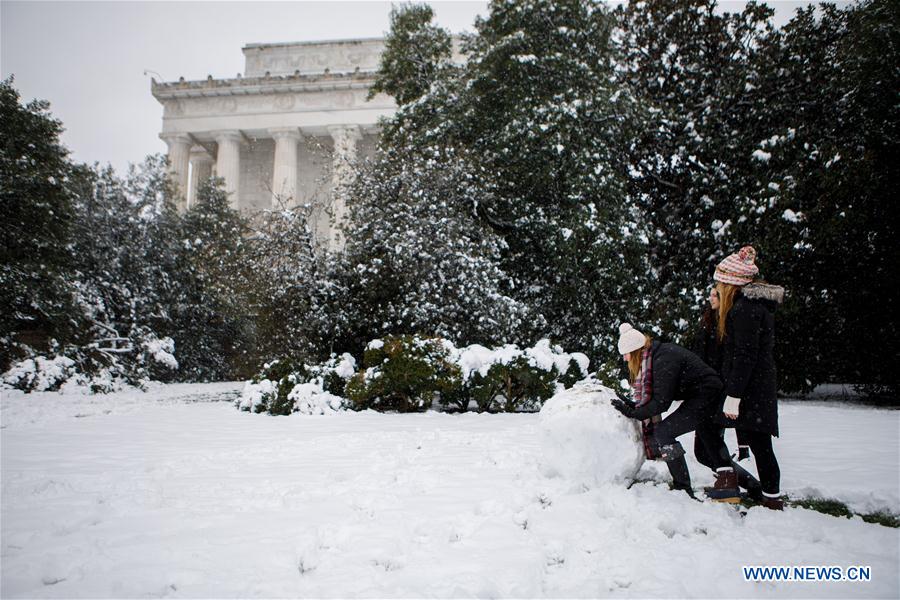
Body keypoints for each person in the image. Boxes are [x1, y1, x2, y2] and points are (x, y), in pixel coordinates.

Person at [611, 323, 739, 502]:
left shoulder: (662, 360)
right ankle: (750, 487)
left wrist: (633, 413)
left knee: (664, 431)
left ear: (635, 351)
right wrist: (632, 406)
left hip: (707, 396)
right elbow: (657, 398)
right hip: (705, 395)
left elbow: (661, 403)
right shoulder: (656, 356)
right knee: (704, 453)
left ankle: (682, 489)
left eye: (626, 354)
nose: (625, 359)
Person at [712, 246, 785, 510]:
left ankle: (772, 499)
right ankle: (769, 495)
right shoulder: (751, 306)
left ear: (731, 282)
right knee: (757, 443)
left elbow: (745, 356)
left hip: (752, 389)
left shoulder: (744, 310)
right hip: (755, 386)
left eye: (720, 282)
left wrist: (733, 395)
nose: (718, 287)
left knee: (760, 444)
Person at [690, 287, 763, 500]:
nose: (711, 298)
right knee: (703, 451)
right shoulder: (708, 321)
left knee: (708, 440)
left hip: (715, 391)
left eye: (716, 295)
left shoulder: (727, 326)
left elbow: (727, 360)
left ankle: (729, 480)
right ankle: (749, 483)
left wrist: (717, 387)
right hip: (705, 387)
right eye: (710, 294)